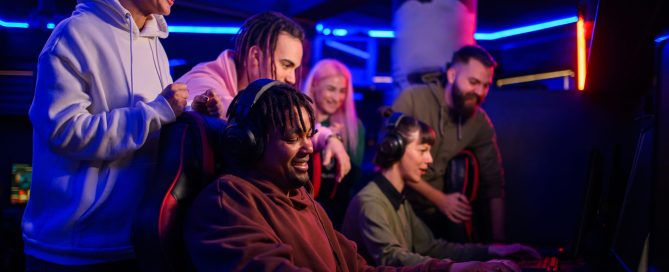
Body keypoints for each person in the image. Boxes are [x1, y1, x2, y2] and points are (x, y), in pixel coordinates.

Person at [183, 79, 519, 272]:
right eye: (291, 138)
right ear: (249, 144)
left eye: (308, 136)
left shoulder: (304, 201)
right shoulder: (227, 203)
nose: (307, 149)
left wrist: (458, 269)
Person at [23, 0, 187, 269]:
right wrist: (158, 111)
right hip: (70, 253)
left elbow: (155, 125)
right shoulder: (73, 35)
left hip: (136, 241)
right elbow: (67, 132)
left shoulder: (155, 45)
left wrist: (189, 113)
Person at [342, 112, 539, 267]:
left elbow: (431, 247)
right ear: (395, 149)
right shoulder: (370, 202)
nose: (429, 159)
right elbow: (393, 259)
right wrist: (456, 269)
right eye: (422, 150)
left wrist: (492, 252)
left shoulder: (398, 200)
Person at [176, 11, 351, 182]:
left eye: (295, 69)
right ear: (256, 57)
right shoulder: (202, 82)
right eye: (286, 65)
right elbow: (268, 121)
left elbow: (283, 121)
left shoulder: (260, 99)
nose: (291, 78)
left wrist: (329, 137)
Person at [392, 45, 505, 243]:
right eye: (473, 82)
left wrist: (499, 243)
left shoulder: (479, 122)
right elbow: (391, 160)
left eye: (486, 85)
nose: (479, 92)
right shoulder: (412, 99)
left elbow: (494, 182)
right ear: (452, 75)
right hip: (398, 206)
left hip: (439, 218)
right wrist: (440, 199)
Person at [302, 59, 366, 227]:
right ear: (314, 85)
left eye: (342, 91)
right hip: (300, 208)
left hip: (336, 215)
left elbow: (354, 180)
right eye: (331, 89)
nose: (337, 98)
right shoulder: (298, 120)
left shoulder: (354, 127)